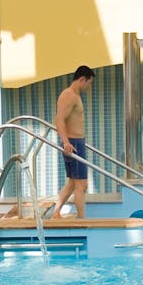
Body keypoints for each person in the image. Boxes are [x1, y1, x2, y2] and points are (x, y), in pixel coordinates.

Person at [41, 65, 95, 219]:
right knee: (81, 184)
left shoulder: (74, 95)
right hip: (73, 144)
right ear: (82, 79)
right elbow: (59, 120)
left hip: (76, 143)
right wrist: (66, 142)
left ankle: (56, 212)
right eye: (89, 83)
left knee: (73, 183)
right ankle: (81, 219)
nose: (89, 86)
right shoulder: (69, 95)